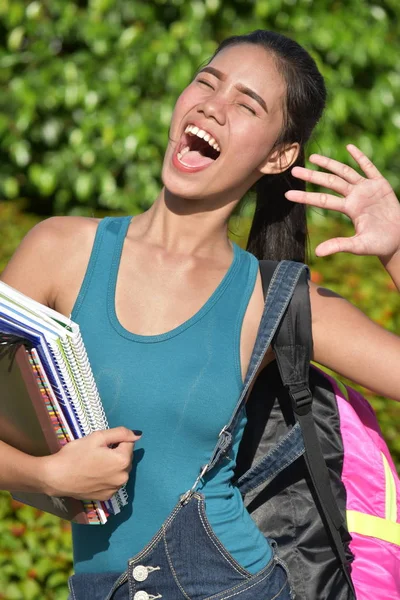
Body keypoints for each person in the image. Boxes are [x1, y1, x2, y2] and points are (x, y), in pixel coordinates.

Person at [1, 29, 400, 600]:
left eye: (246, 104)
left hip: (230, 586)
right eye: (207, 82)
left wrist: (396, 247)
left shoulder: (275, 298)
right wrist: (47, 477)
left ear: (279, 155)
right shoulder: (60, 250)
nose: (213, 104)